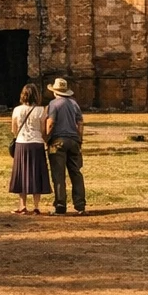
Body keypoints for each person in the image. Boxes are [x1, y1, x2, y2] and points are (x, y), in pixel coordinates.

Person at [45, 77, 86, 215]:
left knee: (58, 174)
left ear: (55, 92)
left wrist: (47, 138)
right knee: (76, 172)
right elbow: (80, 123)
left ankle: (60, 205)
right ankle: (80, 205)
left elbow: (50, 123)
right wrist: (79, 139)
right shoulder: (74, 104)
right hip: (74, 141)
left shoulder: (53, 104)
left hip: (58, 141)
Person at [9, 83, 50, 214]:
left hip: (21, 144)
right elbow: (43, 130)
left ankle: (22, 205)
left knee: (21, 174)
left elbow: (13, 129)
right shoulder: (41, 110)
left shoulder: (17, 110)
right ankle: (36, 206)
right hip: (37, 144)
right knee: (36, 174)